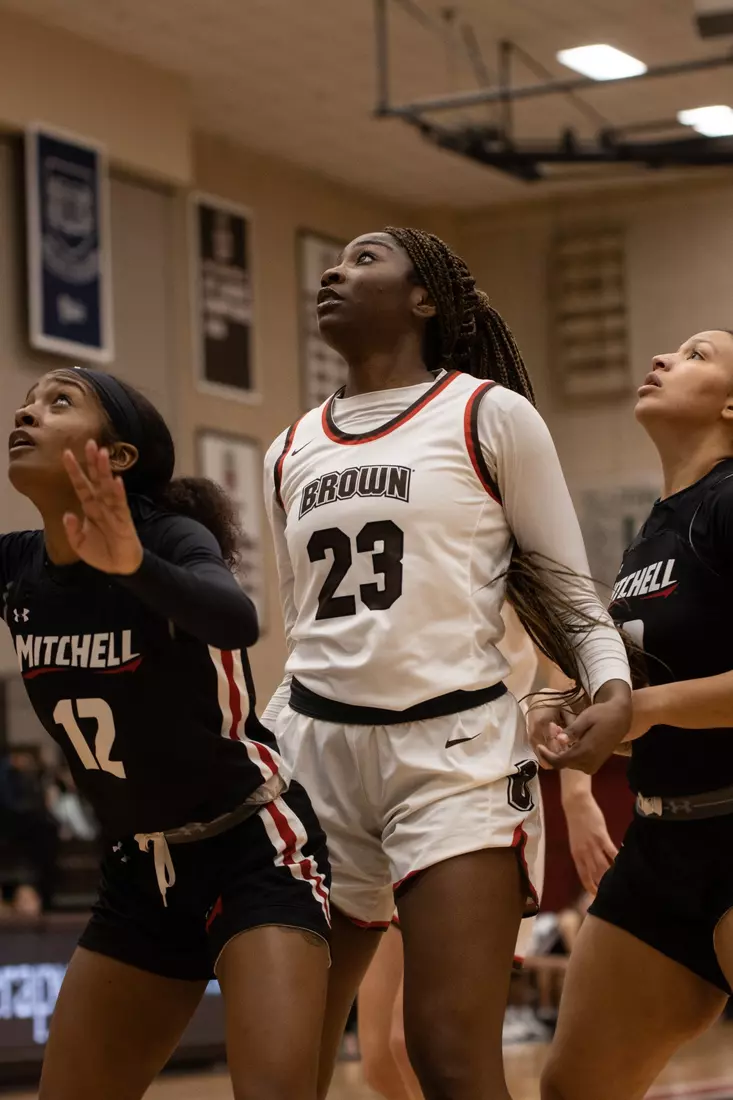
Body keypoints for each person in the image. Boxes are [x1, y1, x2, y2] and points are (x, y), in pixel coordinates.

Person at [263, 227, 631, 1100]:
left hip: (454, 754)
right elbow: (300, 622)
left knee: (445, 1053)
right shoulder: (290, 446)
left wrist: (609, 683)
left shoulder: (486, 413)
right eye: (335, 259)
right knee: (281, 1062)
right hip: (314, 752)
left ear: (424, 298)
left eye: (362, 260)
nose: (332, 272)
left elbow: (566, 589)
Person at [1, 366, 331, 1100]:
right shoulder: (17, 565)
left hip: (251, 849)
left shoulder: (168, 536)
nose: (26, 414)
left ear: (116, 457)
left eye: (58, 403)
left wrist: (133, 568)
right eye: (25, 404)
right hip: (137, 872)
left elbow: (233, 618)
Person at [534, 330, 733, 1100]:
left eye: (695, 356)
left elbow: (655, 706)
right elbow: (656, 710)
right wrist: (578, 725)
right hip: (658, 849)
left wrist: (641, 708)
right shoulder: (648, 537)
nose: (662, 358)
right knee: (573, 1087)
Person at [357, 612, 620, 1100]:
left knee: (418, 1046)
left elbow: (568, 673)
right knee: (378, 1059)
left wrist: (577, 796)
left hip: (474, 796)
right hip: (392, 788)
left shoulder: (503, 545)